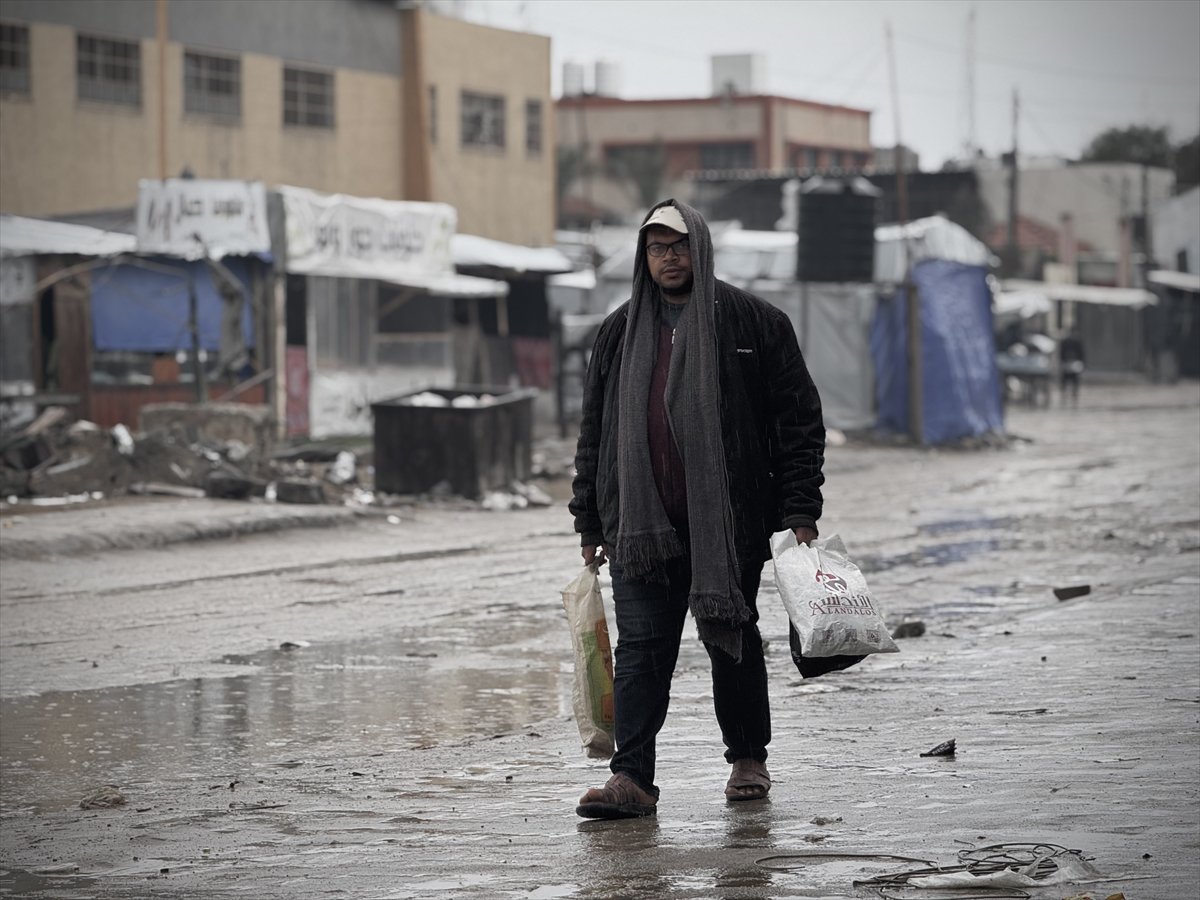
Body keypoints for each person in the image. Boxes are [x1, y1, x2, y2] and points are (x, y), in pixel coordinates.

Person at [569, 199, 826, 819]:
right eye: (657, 248)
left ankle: (747, 759)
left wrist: (799, 508)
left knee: (731, 641)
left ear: (700, 249)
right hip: (639, 528)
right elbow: (595, 434)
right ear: (644, 257)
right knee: (639, 651)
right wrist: (589, 520)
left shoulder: (753, 324)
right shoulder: (618, 332)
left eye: (678, 246)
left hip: (726, 526)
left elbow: (798, 421)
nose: (669, 258)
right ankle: (631, 778)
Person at [1059, 329, 1085, 406]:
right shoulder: (1073, 341)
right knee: (1072, 381)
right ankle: (1070, 397)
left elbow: (1081, 353)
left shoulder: (1070, 341)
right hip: (1070, 363)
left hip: (1071, 363)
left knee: (1070, 381)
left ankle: (1069, 397)